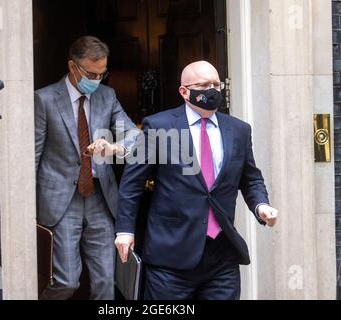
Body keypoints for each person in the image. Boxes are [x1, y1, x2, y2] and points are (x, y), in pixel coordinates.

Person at [115, 61, 278, 300]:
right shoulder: (158, 126)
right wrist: (125, 230)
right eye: (203, 85)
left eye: (216, 84)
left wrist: (260, 205)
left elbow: (251, 178)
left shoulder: (239, 130)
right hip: (170, 256)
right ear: (184, 91)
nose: (211, 90)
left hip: (222, 256)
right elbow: (132, 183)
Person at [35, 36, 137, 300]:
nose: (97, 80)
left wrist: (115, 148)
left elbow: (135, 136)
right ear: (73, 67)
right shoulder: (43, 99)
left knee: (106, 282)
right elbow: (32, 155)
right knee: (66, 281)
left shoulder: (108, 95)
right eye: (92, 74)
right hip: (60, 202)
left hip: (100, 199)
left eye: (102, 74)